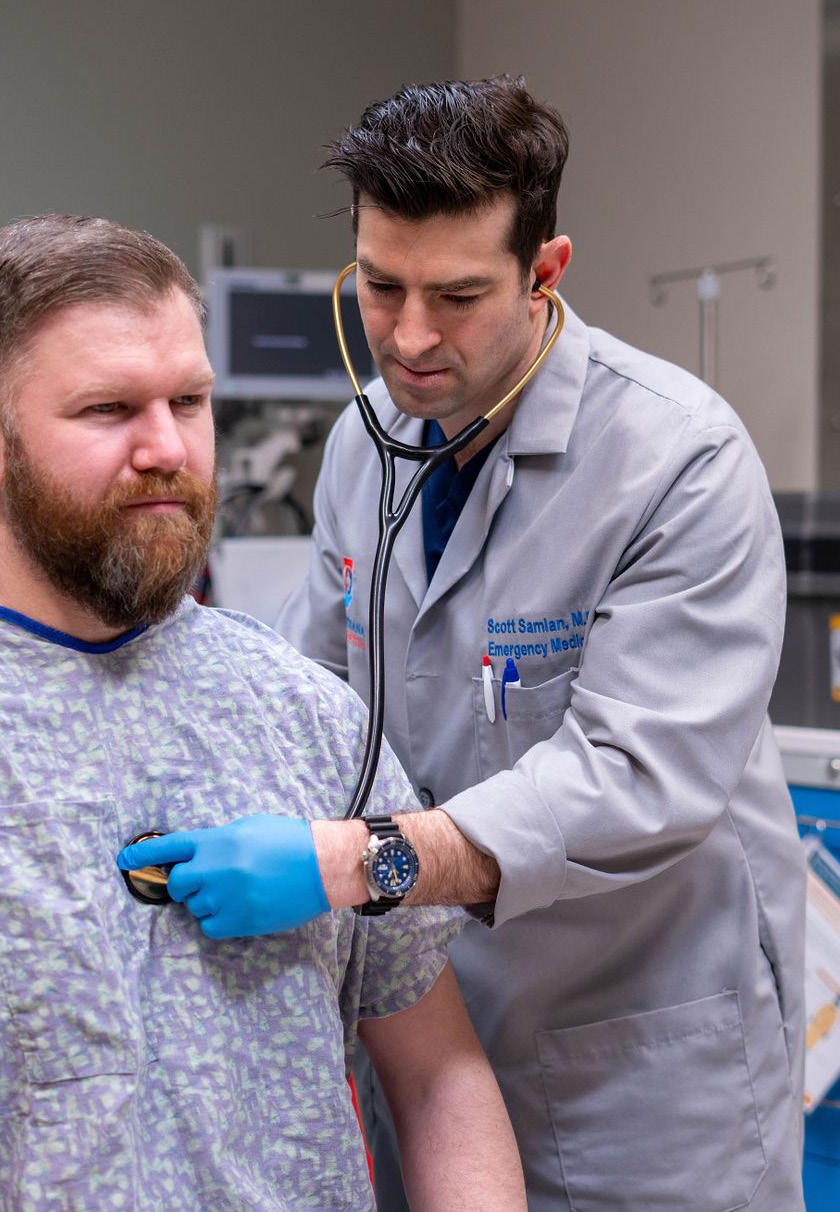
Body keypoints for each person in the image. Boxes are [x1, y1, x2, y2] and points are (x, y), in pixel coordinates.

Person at [125, 79, 808, 1210]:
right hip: (431, 1042)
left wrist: (348, 864)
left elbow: (636, 781)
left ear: (545, 273)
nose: (409, 337)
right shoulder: (367, 447)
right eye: (380, 286)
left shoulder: (676, 461)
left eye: (457, 295)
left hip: (639, 1070)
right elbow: (314, 695)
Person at [0, 215, 528, 1212]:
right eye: (109, 410)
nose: (166, 448)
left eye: (189, 401)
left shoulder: (304, 715)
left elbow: (438, 1080)